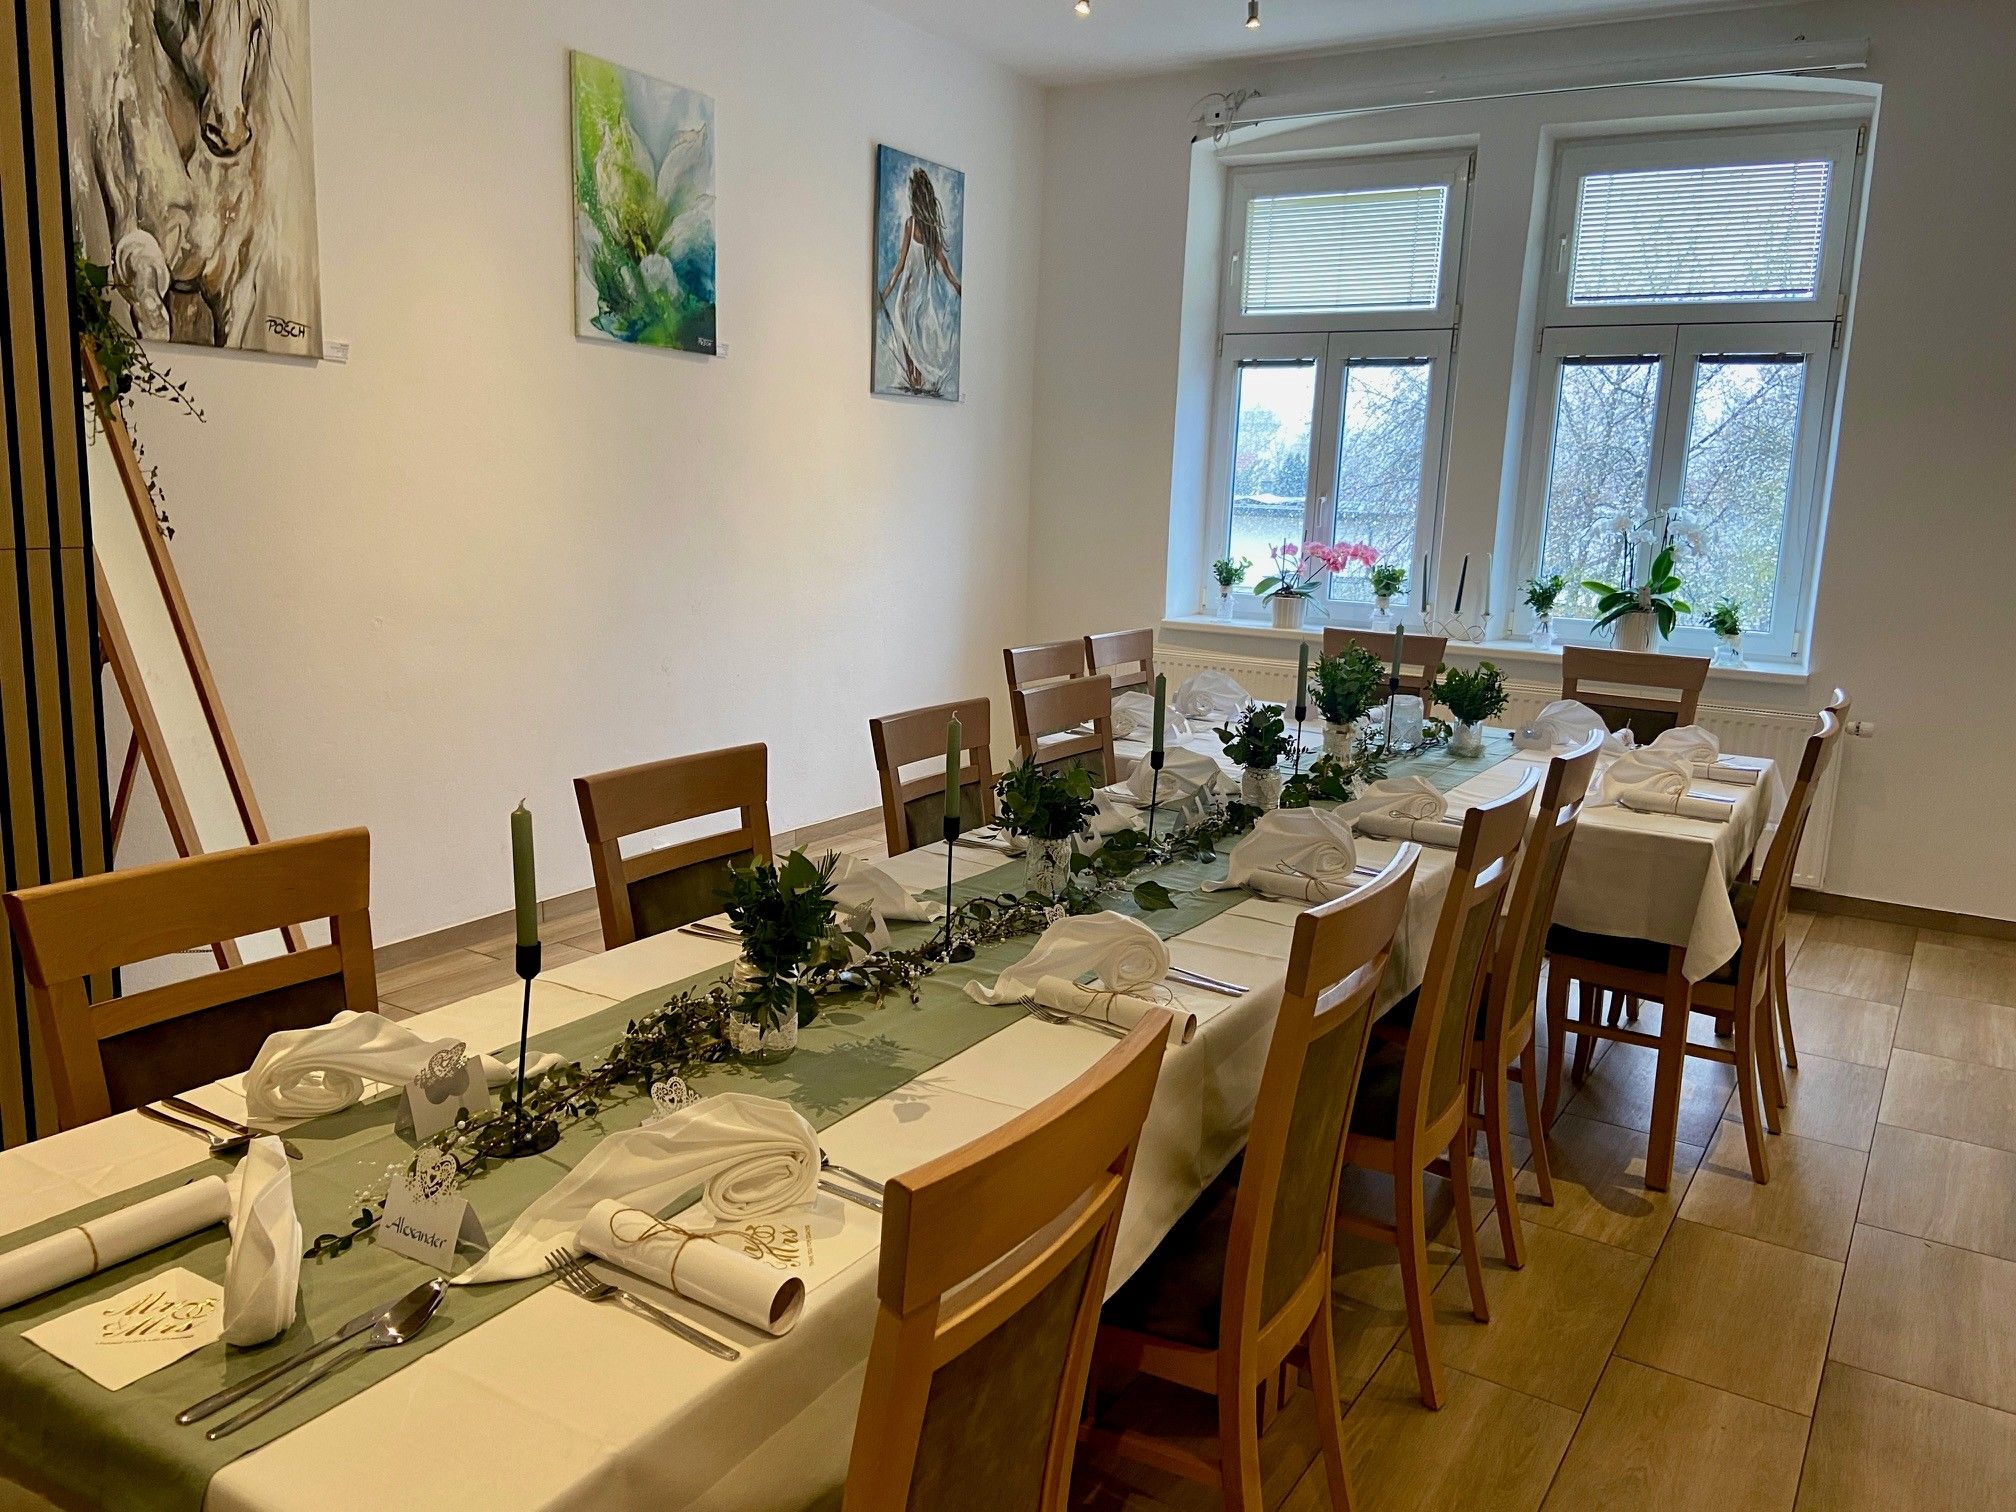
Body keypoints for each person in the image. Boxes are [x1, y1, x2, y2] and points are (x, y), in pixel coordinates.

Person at [877, 167, 962, 397]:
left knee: (911, 334)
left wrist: (886, 292)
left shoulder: (917, 226)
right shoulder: (919, 227)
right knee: (910, 334)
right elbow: (940, 265)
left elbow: (902, 265)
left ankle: (917, 380)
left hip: (914, 294)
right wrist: (956, 285)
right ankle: (916, 380)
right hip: (915, 293)